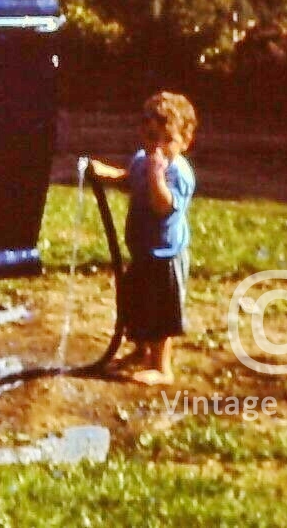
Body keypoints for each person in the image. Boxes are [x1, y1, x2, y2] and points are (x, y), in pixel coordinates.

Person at [88, 91, 199, 386]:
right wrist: (106, 174)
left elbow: (163, 206)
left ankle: (162, 367)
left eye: (168, 140)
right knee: (137, 304)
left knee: (161, 312)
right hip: (142, 251)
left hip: (166, 256)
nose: (158, 147)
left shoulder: (179, 173)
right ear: (142, 133)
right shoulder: (142, 161)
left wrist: (156, 177)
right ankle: (140, 351)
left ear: (185, 141)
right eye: (152, 137)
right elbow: (130, 180)